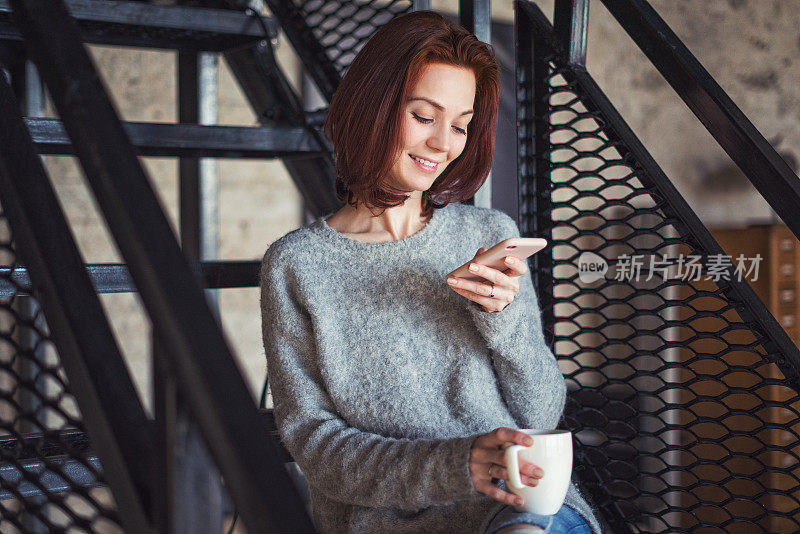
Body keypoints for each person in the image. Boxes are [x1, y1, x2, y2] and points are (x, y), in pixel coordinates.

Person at [259, 10, 601, 534]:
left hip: (514, 506)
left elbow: (540, 415)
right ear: (372, 109)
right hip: (384, 520)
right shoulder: (297, 264)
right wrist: (455, 465)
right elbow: (318, 448)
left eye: (461, 125)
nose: (444, 143)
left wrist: (503, 321)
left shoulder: (484, 234)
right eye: (424, 116)